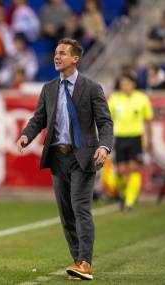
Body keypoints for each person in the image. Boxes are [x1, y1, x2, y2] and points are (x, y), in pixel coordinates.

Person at [16, 38, 113, 280]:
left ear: (75, 58)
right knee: (66, 213)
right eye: (56, 53)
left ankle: (85, 263)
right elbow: (39, 118)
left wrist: (104, 146)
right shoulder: (49, 88)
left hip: (83, 156)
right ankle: (76, 260)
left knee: (81, 208)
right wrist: (27, 135)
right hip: (58, 158)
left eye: (62, 53)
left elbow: (104, 122)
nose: (56, 57)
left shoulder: (91, 87)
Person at [108, 73, 153, 211]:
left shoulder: (142, 99)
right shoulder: (115, 99)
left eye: (127, 83)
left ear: (133, 84)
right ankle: (124, 193)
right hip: (120, 138)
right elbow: (107, 120)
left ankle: (129, 201)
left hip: (135, 138)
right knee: (120, 171)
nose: (124, 85)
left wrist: (149, 140)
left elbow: (148, 120)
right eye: (122, 83)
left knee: (134, 168)